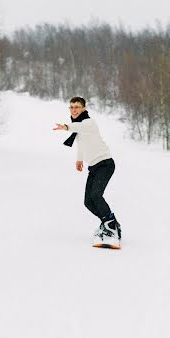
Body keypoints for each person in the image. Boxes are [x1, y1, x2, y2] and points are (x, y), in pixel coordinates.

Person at [53, 96, 121, 248]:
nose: (73, 110)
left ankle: (111, 227)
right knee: (88, 202)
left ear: (83, 108)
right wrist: (79, 160)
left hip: (105, 164)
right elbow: (82, 145)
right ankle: (109, 222)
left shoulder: (88, 123)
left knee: (96, 195)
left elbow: (79, 128)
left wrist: (65, 127)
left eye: (77, 107)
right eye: (71, 107)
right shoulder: (79, 126)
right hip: (94, 167)